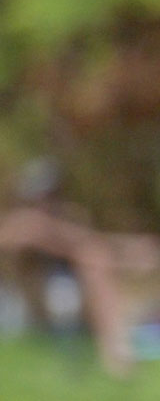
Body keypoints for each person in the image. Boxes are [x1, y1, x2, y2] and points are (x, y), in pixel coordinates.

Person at [0, 158, 138, 376]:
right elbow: (48, 238)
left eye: (51, 194)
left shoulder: (69, 218)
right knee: (94, 256)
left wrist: (130, 250)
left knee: (95, 258)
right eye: (42, 195)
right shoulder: (19, 224)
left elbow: (91, 242)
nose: (47, 201)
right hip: (21, 304)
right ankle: (116, 350)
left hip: (63, 297)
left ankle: (116, 348)